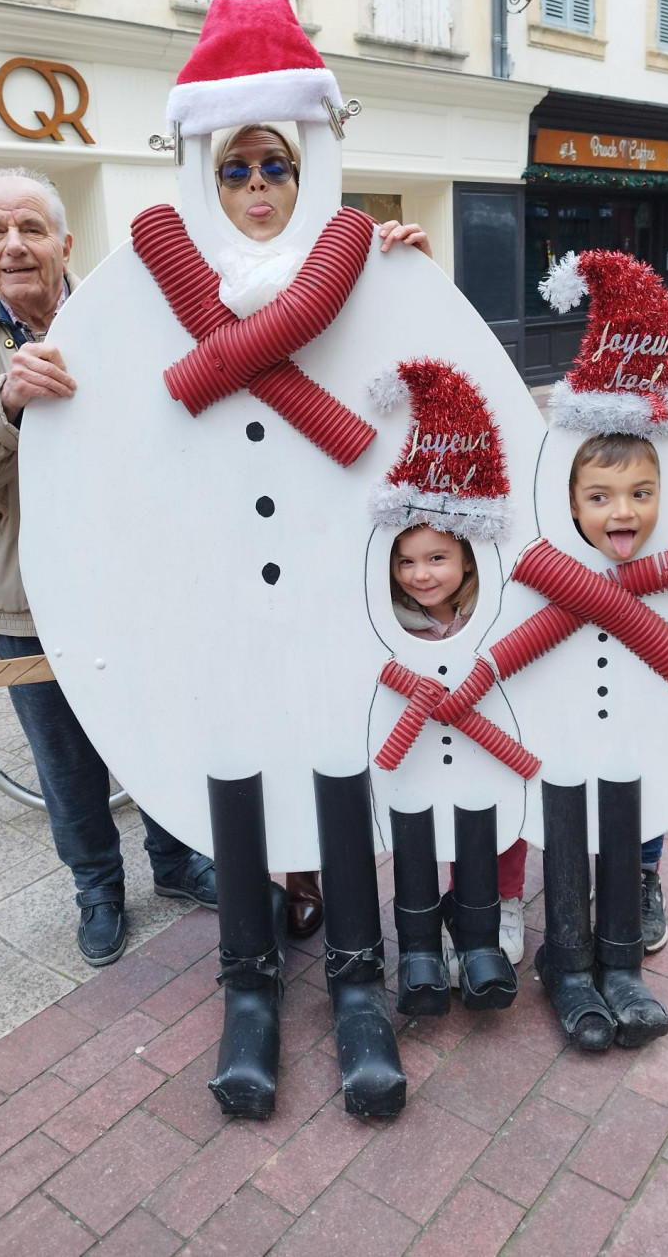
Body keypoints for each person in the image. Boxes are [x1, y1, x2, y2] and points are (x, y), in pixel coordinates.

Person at [0, 167, 218, 968]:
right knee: (65, 759)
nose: (15, 245)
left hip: (135, 585)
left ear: (64, 242)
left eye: (32, 229)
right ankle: (98, 890)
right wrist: (1, 401)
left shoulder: (121, 314)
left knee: (156, 733)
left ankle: (179, 862)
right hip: (28, 600)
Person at [214, 122, 432, 939]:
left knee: (349, 692)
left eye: (276, 166)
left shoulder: (353, 262)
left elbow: (419, 362)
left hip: (340, 520)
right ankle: (298, 866)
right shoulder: (190, 281)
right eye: (236, 171)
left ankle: (359, 872)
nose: (257, 186)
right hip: (242, 516)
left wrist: (409, 274)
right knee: (269, 693)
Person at [390, 523, 527, 969]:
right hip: (426, 736)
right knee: (434, 817)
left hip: (489, 730)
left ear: (468, 559)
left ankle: (504, 899)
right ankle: (452, 905)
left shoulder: (492, 612)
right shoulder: (391, 622)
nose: (420, 575)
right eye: (406, 561)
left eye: (436, 559)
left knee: (498, 810)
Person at [569, 433, 668, 952]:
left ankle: (643, 875)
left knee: (646, 785)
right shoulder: (561, 564)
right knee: (575, 783)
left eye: (642, 494)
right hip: (578, 697)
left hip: (651, 701)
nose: (622, 512)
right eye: (600, 497)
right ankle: (578, 875)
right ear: (572, 503)